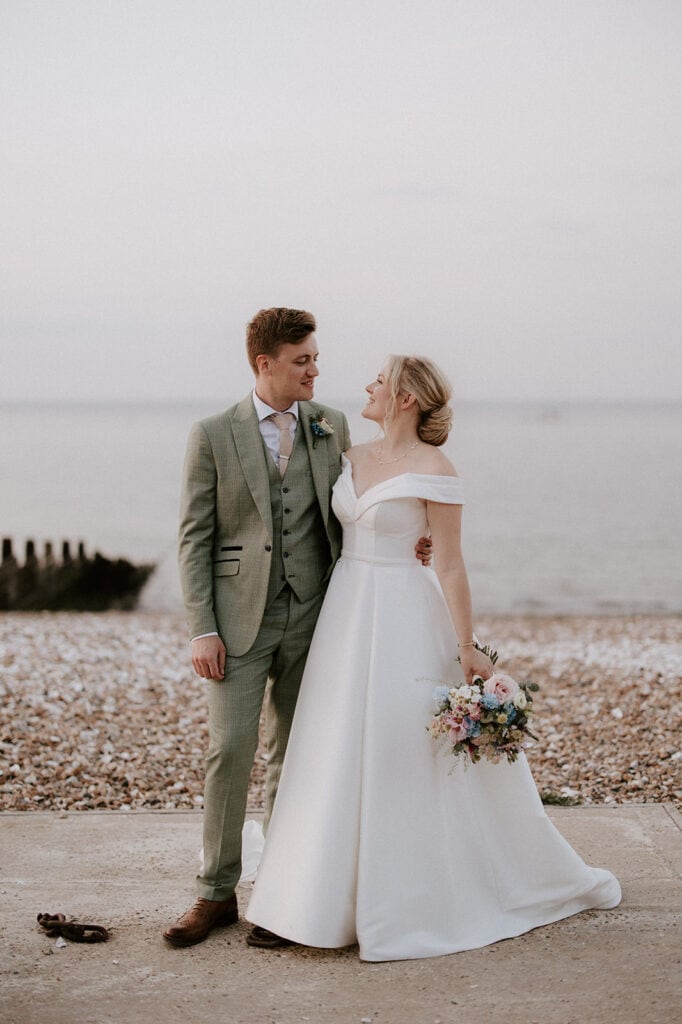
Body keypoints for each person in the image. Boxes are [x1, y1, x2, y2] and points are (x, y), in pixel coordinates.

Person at [246, 355, 621, 962]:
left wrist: (469, 648)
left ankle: (403, 898)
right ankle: (307, 901)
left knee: (399, 753)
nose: (366, 386)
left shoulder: (437, 470)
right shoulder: (347, 453)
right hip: (345, 612)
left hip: (403, 615)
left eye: (379, 380)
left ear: (406, 399)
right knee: (333, 745)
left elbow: (448, 562)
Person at [163, 310, 429, 948]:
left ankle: (283, 896)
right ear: (266, 364)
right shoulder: (212, 434)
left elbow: (372, 489)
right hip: (237, 620)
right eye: (303, 360)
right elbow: (195, 538)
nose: (316, 369)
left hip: (318, 614)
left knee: (297, 754)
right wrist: (203, 628)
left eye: (315, 358)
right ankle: (215, 892)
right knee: (229, 750)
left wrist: (411, 536)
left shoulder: (330, 424)